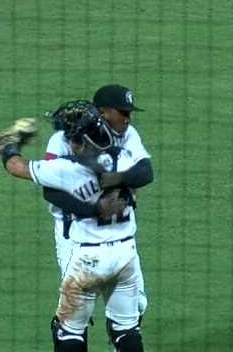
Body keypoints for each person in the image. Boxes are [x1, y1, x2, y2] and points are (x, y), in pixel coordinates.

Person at [0, 102, 146, 352]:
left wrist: (10, 143)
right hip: (125, 255)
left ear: (79, 143)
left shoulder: (66, 169)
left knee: (69, 331)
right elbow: (145, 174)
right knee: (127, 330)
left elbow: (15, 166)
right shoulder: (127, 161)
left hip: (88, 258)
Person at [42, 86, 153, 328]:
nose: (127, 117)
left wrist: (107, 179)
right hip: (73, 233)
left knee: (137, 306)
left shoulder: (127, 134)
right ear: (103, 113)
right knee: (73, 316)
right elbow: (51, 192)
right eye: (122, 112)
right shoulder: (61, 140)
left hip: (117, 233)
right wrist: (93, 208)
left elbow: (145, 173)